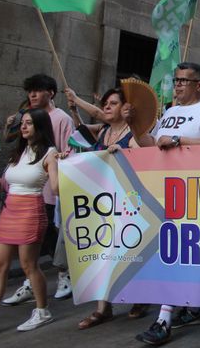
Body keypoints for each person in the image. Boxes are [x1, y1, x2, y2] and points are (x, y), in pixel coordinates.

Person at [124, 62, 200, 346]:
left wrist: (179, 140)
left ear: (199, 85)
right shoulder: (170, 113)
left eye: (184, 80)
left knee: (176, 252)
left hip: (195, 191)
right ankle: (192, 309)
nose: (178, 84)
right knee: (176, 253)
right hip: (166, 190)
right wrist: (133, 124)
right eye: (176, 80)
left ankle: (164, 319)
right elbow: (151, 144)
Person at [64, 87, 149, 327]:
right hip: (101, 204)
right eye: (105, 103)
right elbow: (82, 135)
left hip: (128, 204)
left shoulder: (133, 134)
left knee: (132, 252)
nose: (107, 107)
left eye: (113, 103)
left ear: (126, 107)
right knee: (102, 252)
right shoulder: (102, 131)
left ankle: (140, 297)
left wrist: (125, 153)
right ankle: (103, 309)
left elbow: (147, 160)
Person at [0, 109, 59, 335]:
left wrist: (62, 165)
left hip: (31, 211)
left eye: (29, 123)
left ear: (40, 126)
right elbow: (11, 183)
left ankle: (42, 311)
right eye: (23, 123)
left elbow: (56, 188)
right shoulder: (20, 151)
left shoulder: (50, 153)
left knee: (29, 265)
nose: (23, 127)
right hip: (9, 211)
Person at [2, 74, 74, 306]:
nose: (32, 95)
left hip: (49, 190)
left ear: (50, 93)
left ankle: (65, 275)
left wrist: (60, 163)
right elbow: (13, 143)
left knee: (50, 237)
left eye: (37, 90)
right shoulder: (27, 117)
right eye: (29, 91)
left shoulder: (62, 119)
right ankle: (31, 283)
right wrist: (10, 125)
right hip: (24, 193)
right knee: (31, 243)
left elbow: (70, 150)